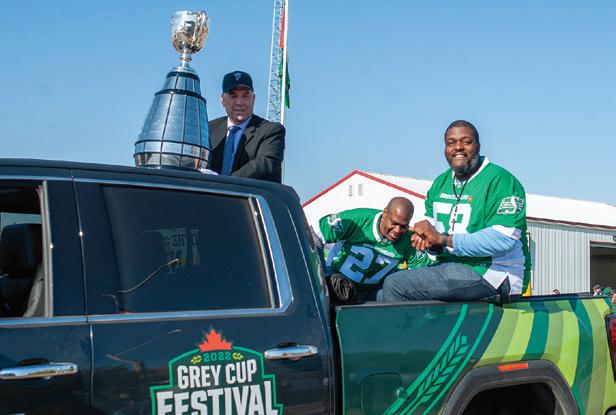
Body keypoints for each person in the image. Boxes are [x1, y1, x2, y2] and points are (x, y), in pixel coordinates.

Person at [378, 120, 531, 303]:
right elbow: (433, 238)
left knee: (396, 285)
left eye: (466, 142)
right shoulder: (440, 183)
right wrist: (426, 240)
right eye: (451, 143)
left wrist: (443, 240)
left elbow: (503, 239)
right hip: (452, 267)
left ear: (478, 145)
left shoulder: (500, 180)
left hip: (494, 273)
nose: (458, 147)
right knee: (381, 293)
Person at [314, 197, 432, 303]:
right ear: (385, 212)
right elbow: (314, 235)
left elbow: (424, 272)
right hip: (336, 284)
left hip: (372, 293)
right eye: (394, 223)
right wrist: (323, 276)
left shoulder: (409, 240)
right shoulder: (358, 219)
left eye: (403, 226)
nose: (397, 230)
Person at [208, 71, 285, 182]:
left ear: (253, 99)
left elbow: (266, 164)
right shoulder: (208, 130)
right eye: (233, 96)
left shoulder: (271, 131)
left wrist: (224, 183)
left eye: (245, 96)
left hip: (249, 192)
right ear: (223, 100)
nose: (239, 102)